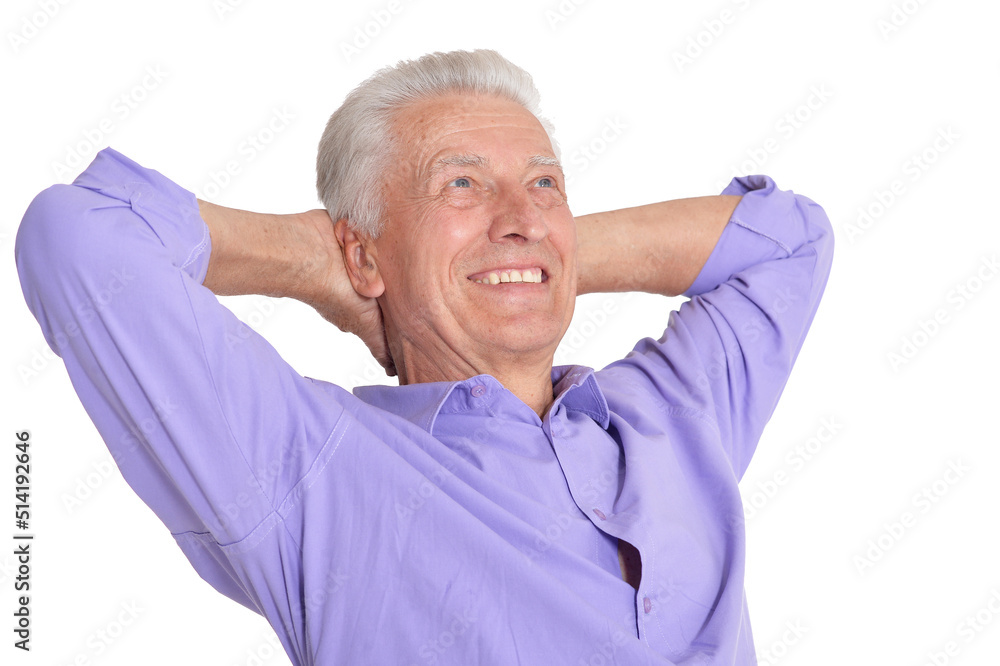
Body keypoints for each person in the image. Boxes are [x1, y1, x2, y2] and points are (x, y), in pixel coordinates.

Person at [16, 49, 833, 665]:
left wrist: (533, 250)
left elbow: (792, 241)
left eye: (545, 183)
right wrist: (318, 261)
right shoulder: (313, 470)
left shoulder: (673, 415)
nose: (523, 214)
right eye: (462, 185)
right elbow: (76, 239)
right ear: (362, 254)